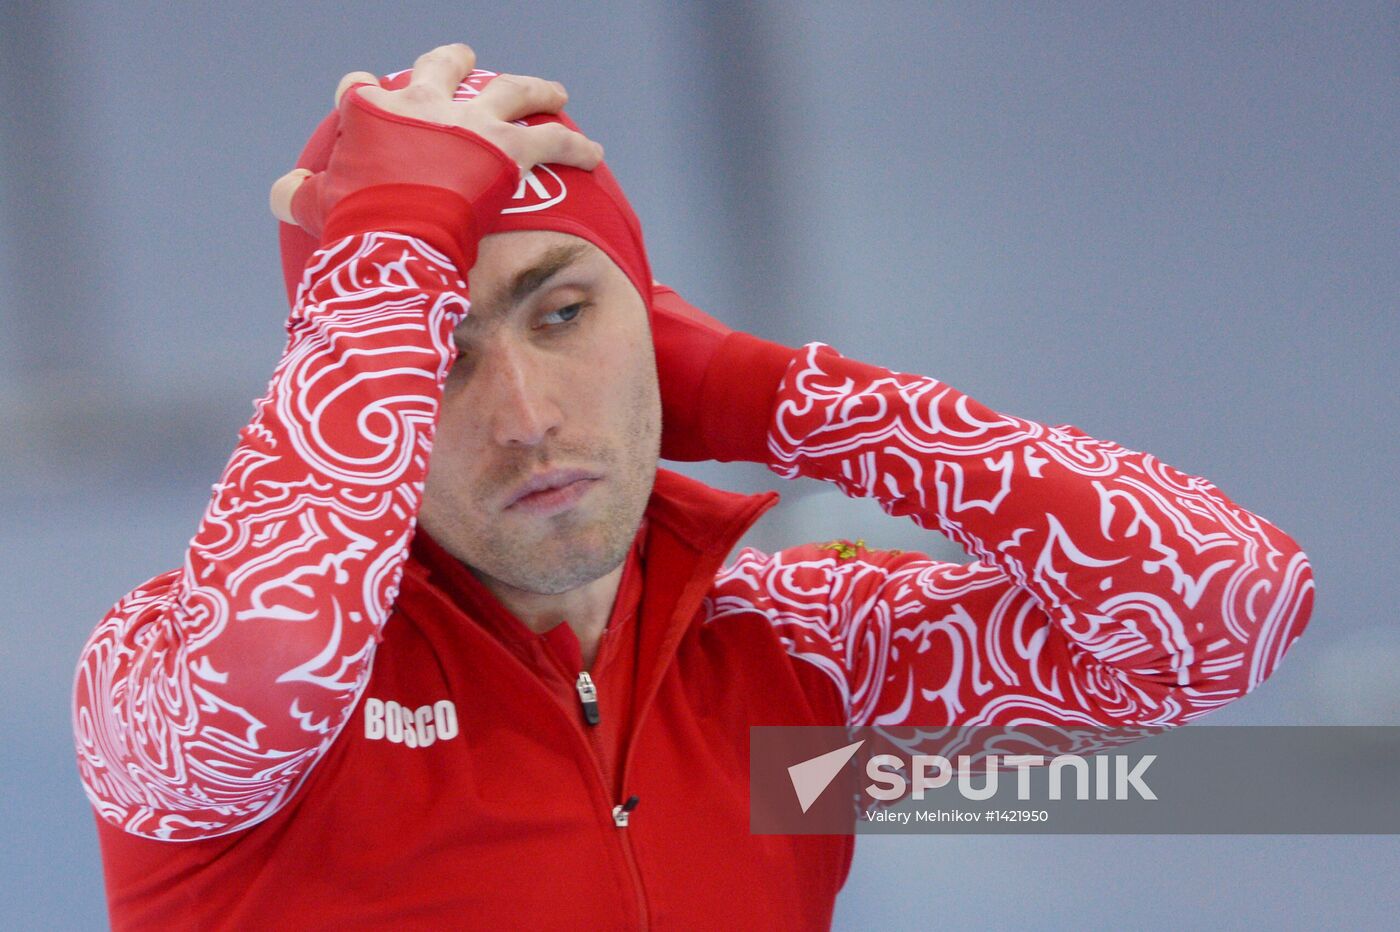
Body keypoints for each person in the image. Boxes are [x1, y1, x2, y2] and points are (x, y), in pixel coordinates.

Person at [71, 43, 1315, 930]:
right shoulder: (166, 688)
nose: (525, 414)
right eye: (431, 356)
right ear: (353, 385)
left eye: (565, 313)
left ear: (654, 324)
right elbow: (276, 649)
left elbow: (1221, 604)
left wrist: (770, 394)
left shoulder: (798, 668)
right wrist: (389, 253)